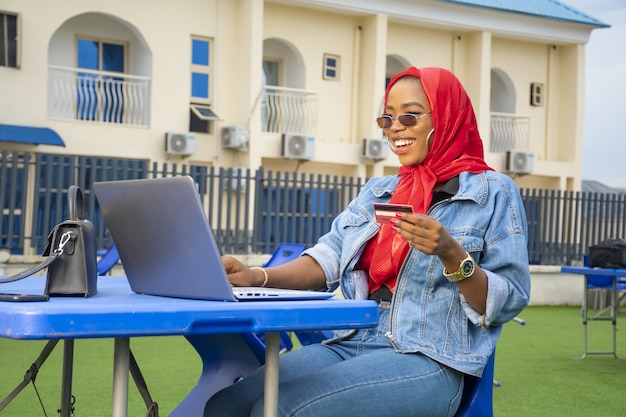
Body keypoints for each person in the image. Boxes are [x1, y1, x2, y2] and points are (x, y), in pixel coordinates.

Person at [204, 66, 531, 417]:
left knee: (286, 410)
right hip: (354, 341)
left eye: (409, 116)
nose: (395, 128)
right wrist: (257, 277)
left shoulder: (493, 192)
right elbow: (327, 256)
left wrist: (451, 254)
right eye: (387, 119)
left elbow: (509, 299)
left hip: (430, 358)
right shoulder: (380, 192)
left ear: (448, 116)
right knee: (226, 405)